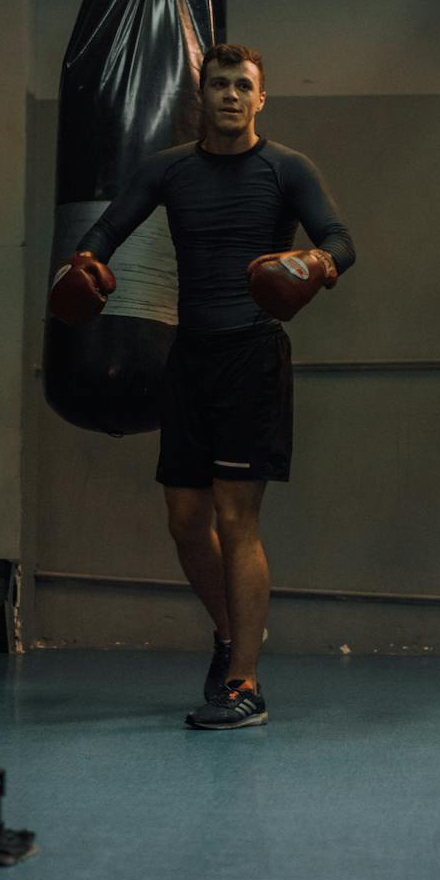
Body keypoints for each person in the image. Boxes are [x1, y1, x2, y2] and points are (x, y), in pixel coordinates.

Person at [59, 42, 356, 730]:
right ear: (205, 97)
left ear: (260, 98)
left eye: (241, 86)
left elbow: (341, 240)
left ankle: (246, 683)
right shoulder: (170, 170)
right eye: (218, 84)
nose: (229, 96)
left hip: (251, 356)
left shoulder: (286, 169)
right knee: (186, 522)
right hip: (188, 357)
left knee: (234, 518)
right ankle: (230, 637)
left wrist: (313, 261)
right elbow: (108, 225)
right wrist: (87, 260)